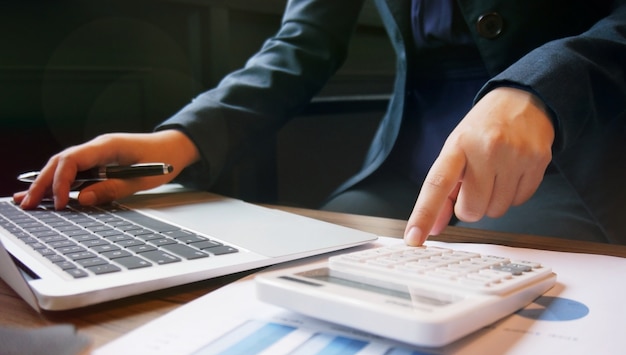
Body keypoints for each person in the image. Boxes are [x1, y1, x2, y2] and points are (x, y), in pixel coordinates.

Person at [13, 0, 626, 246]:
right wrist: (177, 140)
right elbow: (300, 43)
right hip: (411, 147)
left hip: (568, 132)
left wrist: (540, 90)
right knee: (317, 253)